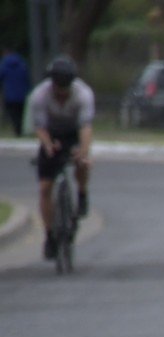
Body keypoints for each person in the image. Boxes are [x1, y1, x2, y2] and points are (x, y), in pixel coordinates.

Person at [30, 56, 93, 262]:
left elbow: (85, 127)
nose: (62, 93)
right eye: (58, 88)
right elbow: (39, 127)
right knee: (45, 187)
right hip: (51, 134)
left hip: (73, 133)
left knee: (82, 162)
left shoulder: (83, 94)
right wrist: (48, 145)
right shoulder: (40, 95)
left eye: (66, 88)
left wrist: (83, 152)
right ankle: (50, 236)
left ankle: (82, 194)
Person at [0, 46, 29, 136]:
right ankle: (20, 130)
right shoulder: (22, 64)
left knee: (13, 115)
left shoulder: (4, 65)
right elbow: (27, 79)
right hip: (22, 94)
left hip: (10, 95)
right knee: (21, 114)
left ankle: (17, 131)